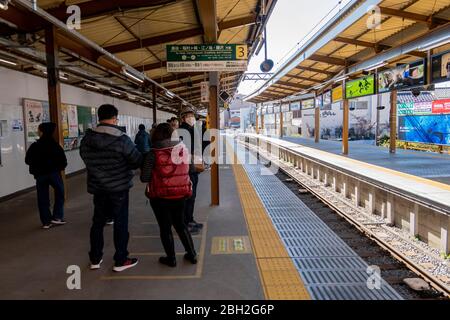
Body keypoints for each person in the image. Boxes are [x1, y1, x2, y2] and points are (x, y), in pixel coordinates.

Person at [80, 104, 142, 272]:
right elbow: (136, 160)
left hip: (98, 188)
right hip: (119, 188)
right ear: (115, 118)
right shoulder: (122, 139)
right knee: (120, 223)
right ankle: (120, 260)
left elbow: (86, 158)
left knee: (97, 223)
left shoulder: (87, 139)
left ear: (99, 118)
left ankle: (95, 258)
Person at [140, 123, 197, 267]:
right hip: (180, 194)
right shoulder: (184, 149)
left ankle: (171, 259)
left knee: (165, 228)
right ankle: (192, 255)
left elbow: (144, 178)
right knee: (181, 225)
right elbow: (192, 169)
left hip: (160, 197)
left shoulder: (152, 154)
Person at [25, 122, 67, 229]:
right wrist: (57, 168)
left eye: (39, 130)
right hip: (54, 174)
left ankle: (46, 222)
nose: (38, 132)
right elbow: (63, 162)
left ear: (42, 131)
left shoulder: (35, 146)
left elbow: (27, 160)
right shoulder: (55, 146)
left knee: (42, 198)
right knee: (60, 193)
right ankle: (57, 217)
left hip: (40, 176)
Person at [179, 107, 203, 235]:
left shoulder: (192, 129)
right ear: (183, 118)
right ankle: (185, 223)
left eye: (191, 115)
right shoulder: (182, 131)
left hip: (192, 167)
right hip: (187, 168)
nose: (191, 117)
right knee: (188, 196)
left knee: (191, 196)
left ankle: (190, 219)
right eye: (188, 115)